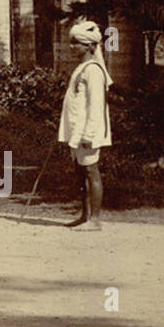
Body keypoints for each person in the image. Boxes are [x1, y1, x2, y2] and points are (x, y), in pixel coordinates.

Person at [59, 21, 113, 230]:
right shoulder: (81, 68)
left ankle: (95, 219)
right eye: (72, 43)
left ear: (90, 46)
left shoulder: (93, 70)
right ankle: (84, 215)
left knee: (91, 171)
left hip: (87, 131)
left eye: (77, 43)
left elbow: (96, 105)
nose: (73, 47)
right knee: (80, 173)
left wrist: (90, 134)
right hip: (76, 130)